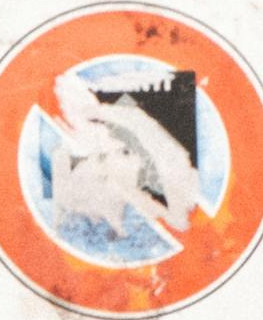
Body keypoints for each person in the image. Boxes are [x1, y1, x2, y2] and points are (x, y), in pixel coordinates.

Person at [23, 51, 222, 277]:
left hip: (161, 232)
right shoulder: (61, 154)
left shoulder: (125, 121)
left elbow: (178, 187)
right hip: (106, 253)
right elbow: (57, 229)